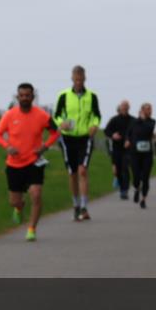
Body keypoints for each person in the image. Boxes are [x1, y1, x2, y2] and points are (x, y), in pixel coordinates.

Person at [0, 83, 59, 241]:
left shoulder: (42, 115)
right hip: (14, 163)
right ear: (17, 97)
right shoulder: (10, 115)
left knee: (36, 194)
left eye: (27, 95)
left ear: (32, 97)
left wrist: (45, 146)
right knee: (14, 201)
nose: (24, 98)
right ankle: (18, 208)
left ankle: (31, 228)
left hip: (34, 162)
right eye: (21, 95)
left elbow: (55, 132)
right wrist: (7, 146)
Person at [53, 66, 101, 221]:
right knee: (72, 173)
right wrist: (62, 123)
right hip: (68, 138)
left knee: (82, 171)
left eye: (81, 79)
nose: (79, 82)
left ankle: (84, 206)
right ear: (72, 79)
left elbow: (97, 115)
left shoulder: (92, 96)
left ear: (85, 79)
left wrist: (94, 125)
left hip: (85, 137)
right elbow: (56, 115)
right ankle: (75, 205)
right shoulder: (63, 95)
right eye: (76, 79)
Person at [125, 103, 156, 209]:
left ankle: (143, 199)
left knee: (146, 177)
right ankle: (136, 189)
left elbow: (148, 130)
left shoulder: (152, 122)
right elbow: (128, 133)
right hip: (135, 153)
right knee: (136, 176)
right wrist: (127, 140)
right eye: (147, 109)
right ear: (142, 110)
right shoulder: (133, 122)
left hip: (147, 154)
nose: (149, 111)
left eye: (150, 109)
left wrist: (142, 120)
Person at [103, 100, 134, 200]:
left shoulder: (133, 120)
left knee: (125, 168)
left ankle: (125, 190)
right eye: (122, 107)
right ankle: (122, 188)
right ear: (119, 108)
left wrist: (130, 140)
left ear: (128, 108)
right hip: (117, 148)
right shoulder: (114, 120)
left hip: (128, 149)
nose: (124, 108)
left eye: (126, 107)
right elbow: (106, 131)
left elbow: (137, 132)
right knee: (118, 170)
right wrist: (113, 135)